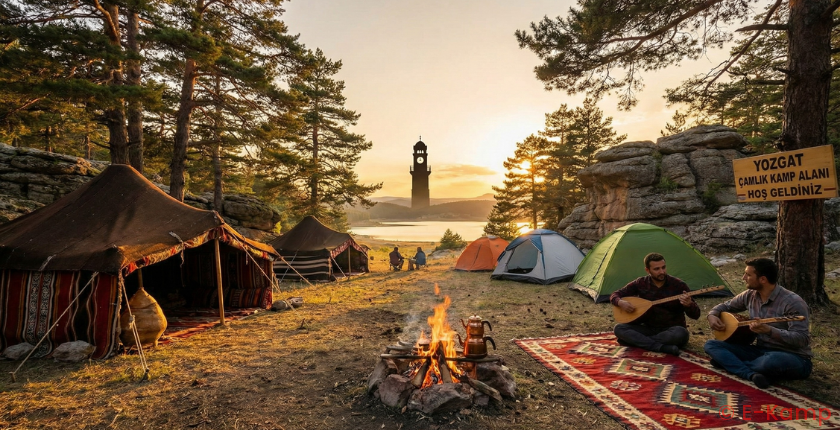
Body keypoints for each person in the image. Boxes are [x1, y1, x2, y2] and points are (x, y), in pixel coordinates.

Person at [704, 257, 811, 389]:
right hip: (760, 350)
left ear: (763, 279)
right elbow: (725, 306)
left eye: (748, 275)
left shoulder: (793, 302)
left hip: (792, 356)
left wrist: (769, 331)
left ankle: (731, 363)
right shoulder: (750, 295)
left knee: (769, 362)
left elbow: (802, 339)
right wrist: (712, 315)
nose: (744, 277)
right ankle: (751, 374)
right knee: (711, 345)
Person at [611, 252, 700, 355]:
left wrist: (689, 305)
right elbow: (615, 294)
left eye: (663, 267)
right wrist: (620, 302)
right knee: (619, 328)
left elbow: (696, 315)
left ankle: (636, 341)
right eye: (657, 269)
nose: (662, 271)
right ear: (647, 270)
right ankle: (661, 347)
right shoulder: (641, 283)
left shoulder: (679, 285)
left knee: (681, 333)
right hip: (648, 328)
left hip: (671, 330)